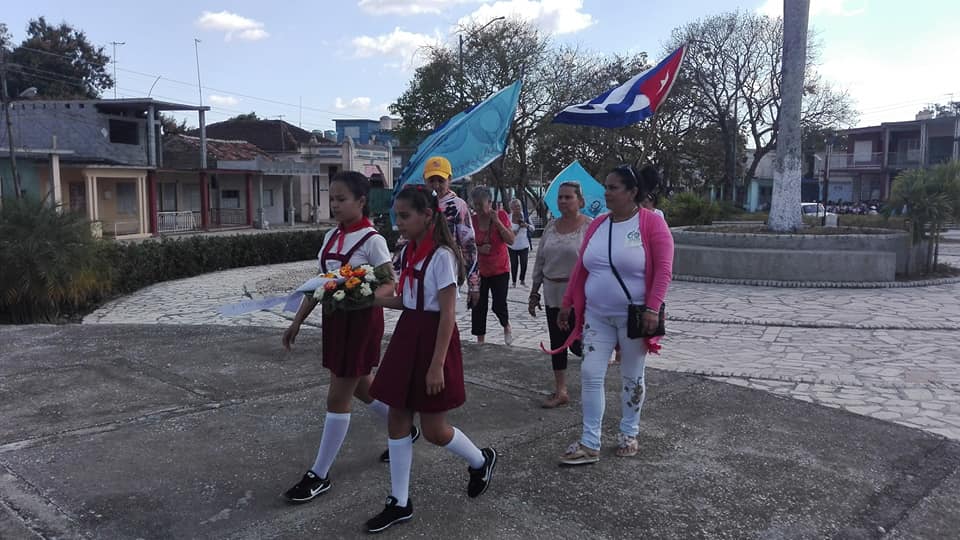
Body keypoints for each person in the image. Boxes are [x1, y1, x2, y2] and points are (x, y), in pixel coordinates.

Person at [366, 186, 497, 533]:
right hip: (409, 335)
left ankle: (480, 460)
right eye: (396, 216)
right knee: (397, 419)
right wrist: (371, 300)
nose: (399, 223)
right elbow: (409, 302)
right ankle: (399, 501)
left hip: (434, 342)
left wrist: (437, 364)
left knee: (435, 431)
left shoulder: (442, 256)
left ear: (427, 215)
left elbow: (447, 315)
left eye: (405, 216)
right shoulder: (409, 252)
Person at [280, 171, 406, 503]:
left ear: (361, 201)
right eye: (331, 199)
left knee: (338, 396)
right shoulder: (330, 237)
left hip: (361, 324)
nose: (334, 205)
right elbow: (321, 283)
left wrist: (366, 297)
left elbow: (390, 282)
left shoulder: (372, 239)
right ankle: (405, 427)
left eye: (341, 199)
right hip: (334, 322)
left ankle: (319, 475)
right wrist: (297, 321)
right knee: (364, 387)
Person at [552, 164, 674, 464]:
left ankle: (629, 433)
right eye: (605, 186)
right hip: (596, 316)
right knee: (591, 373)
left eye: (613, 187)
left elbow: (663, 270)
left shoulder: (651, 224)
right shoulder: (598, 225)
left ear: (632, 192)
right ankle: (590, 442)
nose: (605, 192)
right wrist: (567, 303)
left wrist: (652, 307)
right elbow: (582, 268)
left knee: (632, 376)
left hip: (634, 318)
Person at [528, 182, 592, 408]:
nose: (563, 201)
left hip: (580, 295)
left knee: (580, 343)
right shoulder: (551, 227)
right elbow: (541, 261)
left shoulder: (589, 227)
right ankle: (561, 390)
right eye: (560, 197)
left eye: (568, 197)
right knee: (558, 341)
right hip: (552, 291)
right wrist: (534, 292)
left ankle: (593, 384)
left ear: (580, 201)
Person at [423, 156, 478, 294]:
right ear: (424, 179)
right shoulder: (419, 203)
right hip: (421, 266)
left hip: (447, 268)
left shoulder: (458, 206)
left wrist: (474, 283)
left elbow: (468, 244)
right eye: (431, 180)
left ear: (450, 180)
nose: (436, 185)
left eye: (441, 181)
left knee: (444, 311)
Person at [469, 187, 517, 345]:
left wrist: (497, 222)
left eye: (480, 205)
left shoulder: (501, 215)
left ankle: (506, 325)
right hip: (480, 270)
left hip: (500, 269)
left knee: (499, 304)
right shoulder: (472, 220)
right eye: (474, 205)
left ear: (489, 203)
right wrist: (479, 249)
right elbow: (466, 244)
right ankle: (480, 339)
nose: (477, 209)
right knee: (478, 305)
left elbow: (511, 240)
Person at [508, 198, 533, 287]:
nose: (517, 208)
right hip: (512, 245)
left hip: (524, 244)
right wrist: (512, 232)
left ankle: (522, 280)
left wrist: (526, 225)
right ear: (511, 208)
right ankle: (514, 281)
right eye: (515, 207)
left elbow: (532, 228)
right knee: (514, 264)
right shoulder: (509, 217)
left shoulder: (525, 217)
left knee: (524, 263)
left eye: (518, 206)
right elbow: (505, 229)